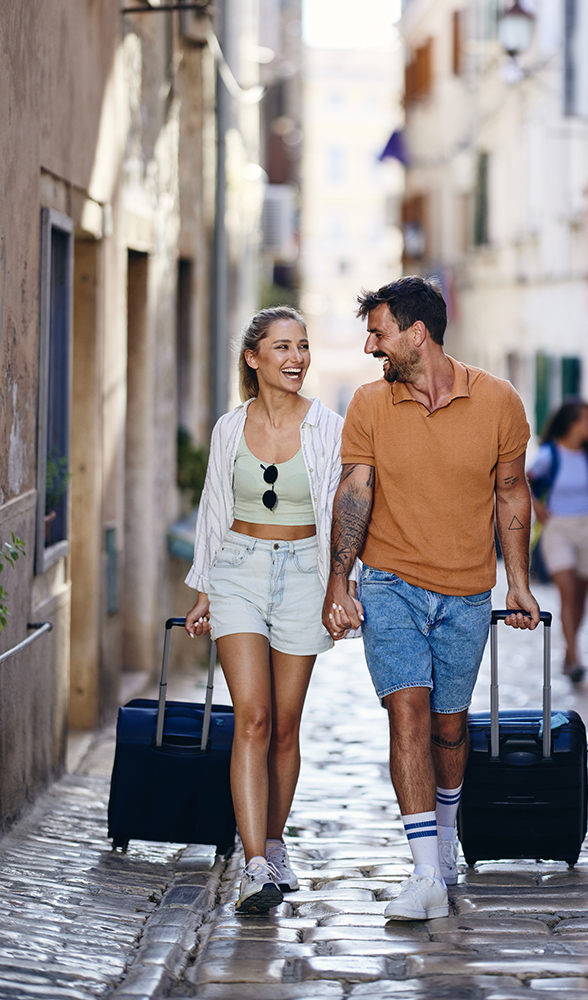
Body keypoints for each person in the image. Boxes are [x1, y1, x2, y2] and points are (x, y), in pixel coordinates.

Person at [323, 275, 539, 922]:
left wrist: (518, 581)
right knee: (407, 715)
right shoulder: (368, 405)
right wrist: (340, 579)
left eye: (378, 333)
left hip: (466, 592)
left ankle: (443, 841)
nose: (369, 347)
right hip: (389, 583)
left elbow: (511, 494)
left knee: (449, 727)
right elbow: (355, 491)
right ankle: (423, 874)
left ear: (417, 335)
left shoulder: (499, 402)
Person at [185, 306, 351, 914]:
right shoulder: (230, 428)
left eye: (303, 347)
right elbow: (213, 508)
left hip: (304, 574)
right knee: (251, 718)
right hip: (239, 572)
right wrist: (204, 587)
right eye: (283, 347)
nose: (297, 358)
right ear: (254, 358)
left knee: (284, 723)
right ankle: (255, 864)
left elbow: (344, 513)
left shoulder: (329, 427)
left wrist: (342, 583)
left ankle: (275, 843)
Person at [528, 400, 588, 684]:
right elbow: (524, 479)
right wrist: (538, 509)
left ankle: (570, 648)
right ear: (572, 423)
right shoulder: (550, 454)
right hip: (558, 527)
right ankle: (574, 654)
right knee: (567, 590)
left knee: (582, 593)